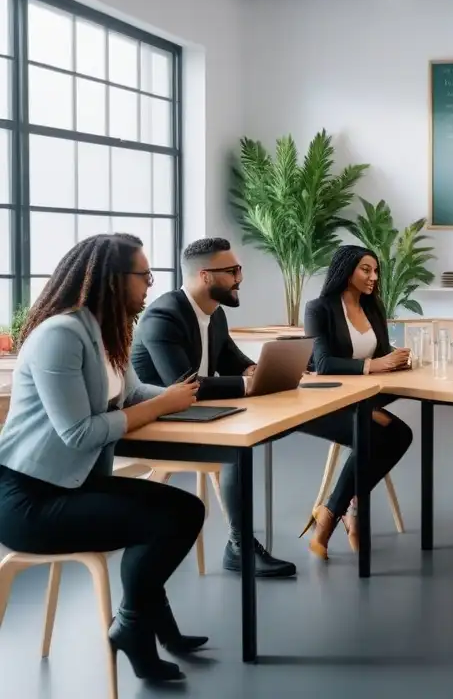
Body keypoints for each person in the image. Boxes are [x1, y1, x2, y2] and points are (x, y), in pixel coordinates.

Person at [0, 234, 206, 683]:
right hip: (29, 500)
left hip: (76, 484)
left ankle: (147, 625)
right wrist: (158, 406)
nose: (151, 284)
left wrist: (186, 400)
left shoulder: (106, 330)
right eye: (144, 275)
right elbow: (78, 433)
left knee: (185, 508)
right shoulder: (60, 335)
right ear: (113, 281)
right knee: (164, 520)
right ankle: (135, 627)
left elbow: (131, 394)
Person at [131, 238, 296, 578]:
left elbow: (234, 362)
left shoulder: (214, 313)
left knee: (250, 434)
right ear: (205, 276)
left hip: (194, 417)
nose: (240, 278)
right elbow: (185, 385)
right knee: (238, 448)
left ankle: (240, 545)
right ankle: (239, 547)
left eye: (240, 269)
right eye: (232, 271)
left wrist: (259, 371)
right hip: (156, 425)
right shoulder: (163, 315)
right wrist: (249, 384)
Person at [300, 245, 413, 558]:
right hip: (323, 401)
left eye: (376, 270)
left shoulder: (373, 308)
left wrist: (398, 360)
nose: (373, 276)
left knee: (401, 434)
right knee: (377, 435)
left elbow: (381, 353)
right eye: (366, 269)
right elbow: (322, 363)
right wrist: (374, 366)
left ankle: (338, 510)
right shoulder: (318, 308)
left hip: (362, 398)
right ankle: (343, 514)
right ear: (346, 270)